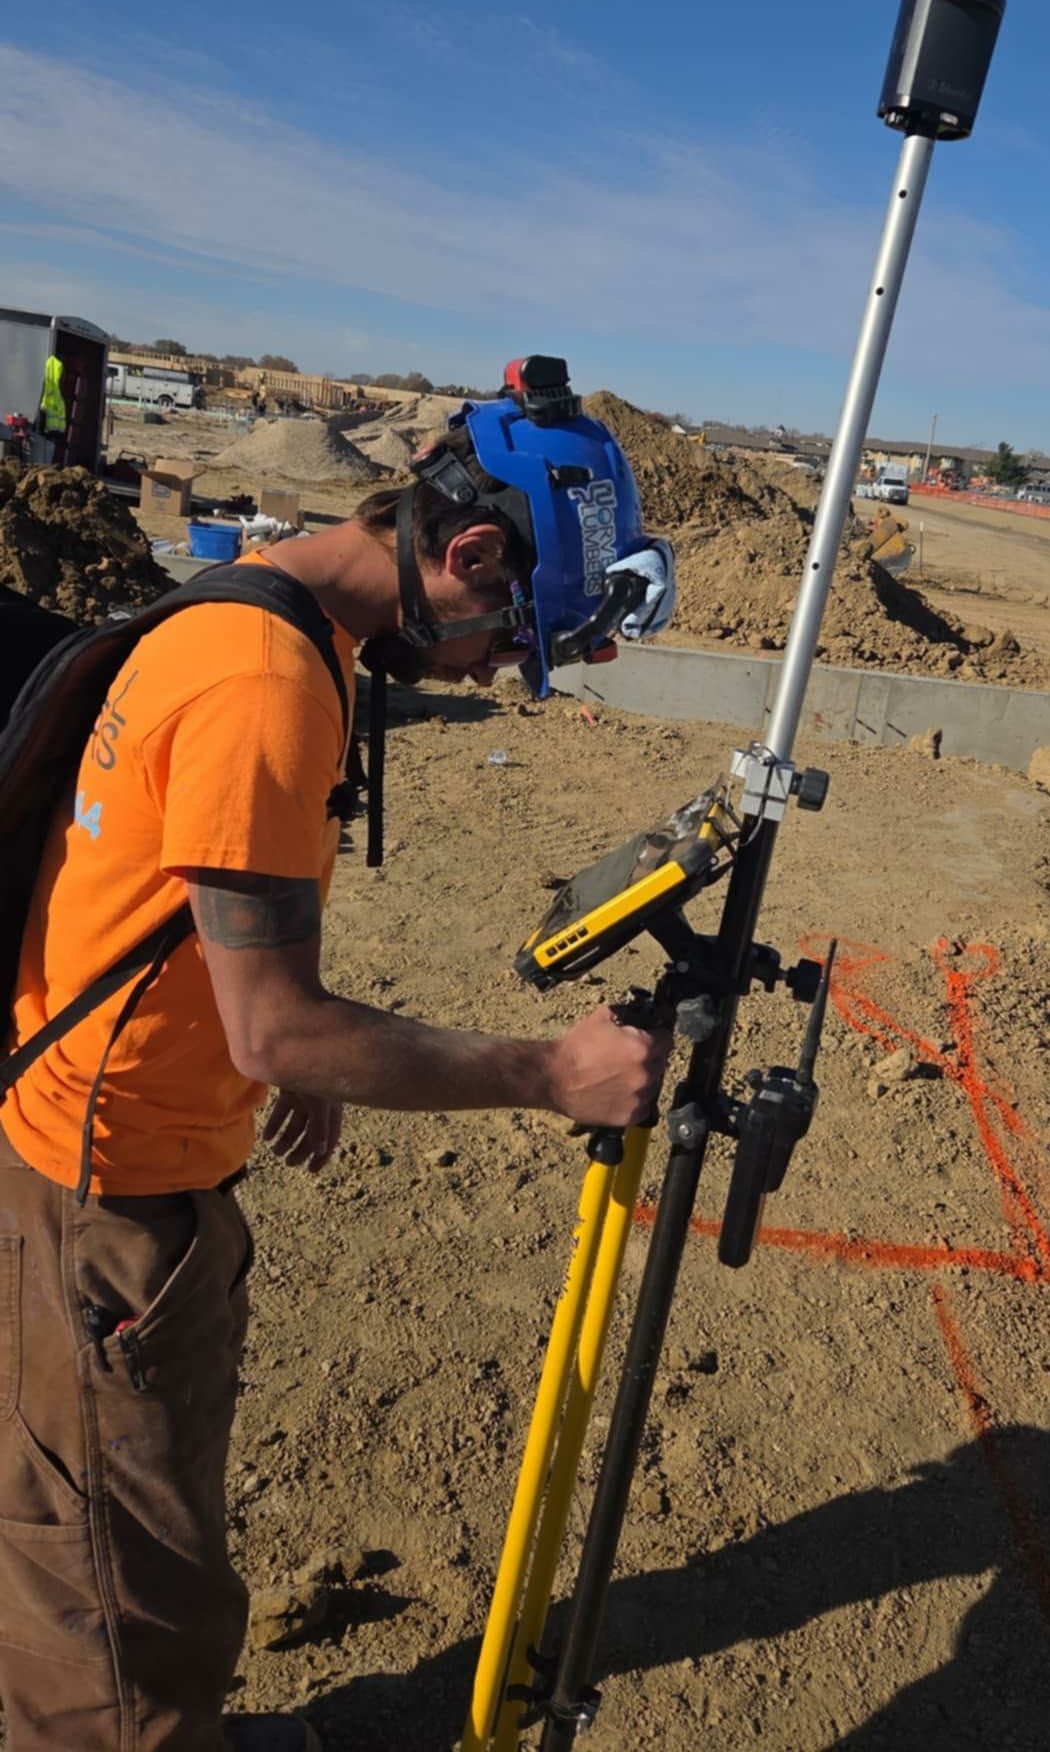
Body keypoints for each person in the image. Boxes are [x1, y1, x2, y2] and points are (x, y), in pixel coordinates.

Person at [0, 368, 676, 1752]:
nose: (492, 669)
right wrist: (551, 1073)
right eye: (507, 637)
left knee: (123, 1557)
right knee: (122, 1612)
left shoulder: (273, 602)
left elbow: (201, 937)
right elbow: (272, 1018)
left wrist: (277, 1040)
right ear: (467, 552)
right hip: (106, 1204)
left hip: (108, 1164)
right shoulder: (267, 683)